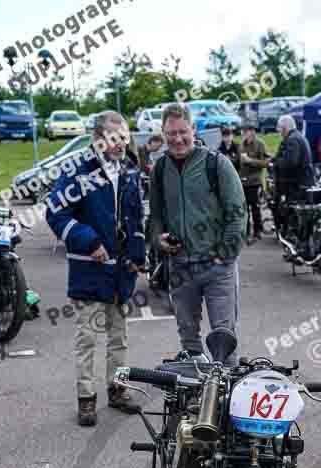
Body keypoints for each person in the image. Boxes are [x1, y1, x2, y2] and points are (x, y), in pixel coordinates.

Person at [45, 111, 146, 427]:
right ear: (97, 138)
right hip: (90, 270)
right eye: (114, 138)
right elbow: (56, 213)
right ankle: (86, 399)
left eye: (124, 138)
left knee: (119, 338)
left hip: (121, 273)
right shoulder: (77, 169)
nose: (121, 144)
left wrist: (138, 254)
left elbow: (135, 217)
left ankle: (117, 390)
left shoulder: (129, 170)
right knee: (87, 339)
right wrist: (89, 241)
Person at [149, 103, 246, 365]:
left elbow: (238, 214)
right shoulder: (160, 169)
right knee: (189, 345)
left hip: (218, 269)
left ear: (193, 129)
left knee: (224, 343)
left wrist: (224, 255)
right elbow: (155, 217)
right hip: (180, 268)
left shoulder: (217, 164)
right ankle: (197, 388)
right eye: (171, 133)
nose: (178, 139)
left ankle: (227, 390)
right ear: (163, 133)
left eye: (183, 131)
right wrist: (158, 239)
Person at [240, 118, 269, 240]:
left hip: (254, 181)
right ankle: (246, 230)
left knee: (255, 207)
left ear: (253, 132)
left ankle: (257, 231)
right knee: (244, 208)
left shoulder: (260, 144)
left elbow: (265, 162)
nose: (247, 133)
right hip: (243, 181)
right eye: (245, 131)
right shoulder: (241, 145)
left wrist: (250, 161)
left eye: (249, 131)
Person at [274, 114, 314, 201]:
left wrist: (275, 162)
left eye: (279, 128)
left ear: (285, 128)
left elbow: (291, 162)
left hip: (297, 184)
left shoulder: (292, 139)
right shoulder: (298, 136)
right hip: (303, 182)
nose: (278, 131)